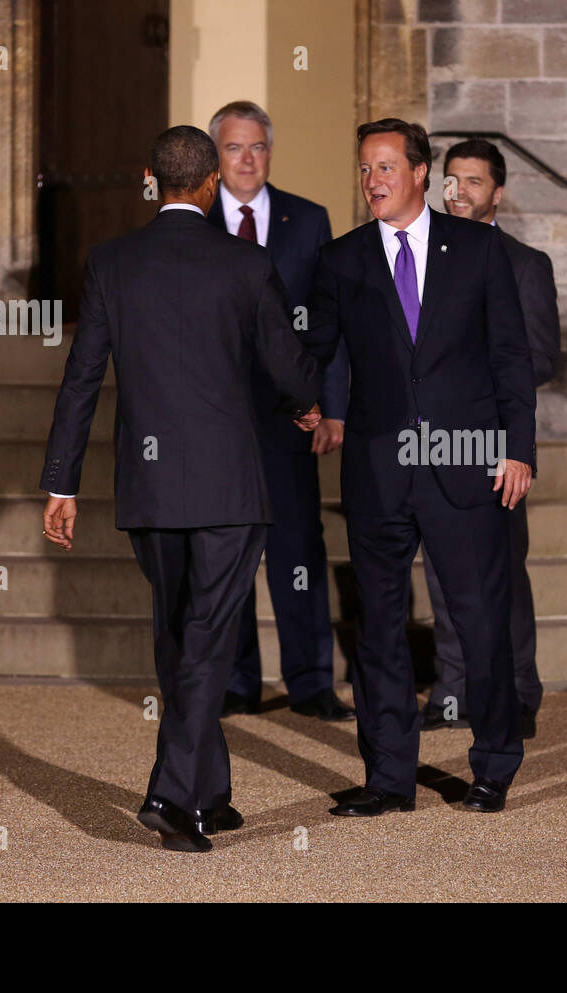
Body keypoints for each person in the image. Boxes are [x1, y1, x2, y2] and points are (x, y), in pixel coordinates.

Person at [39, 125, 321, 852]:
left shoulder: (112, 261)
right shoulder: (246, 262)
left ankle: (209, 791)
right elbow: (287, 366)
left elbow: (80, 381)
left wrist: (61, 484)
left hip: (150, 486)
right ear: (208, 185)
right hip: (228, 485)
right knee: (204, 640)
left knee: (180, 634)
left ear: (150, 180)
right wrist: (306, 401)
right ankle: (170, 793)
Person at [304, 119, 537, 816]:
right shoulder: (340, 259)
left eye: (385, 167)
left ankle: (493, 764)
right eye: (365, 169)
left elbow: (510, 357)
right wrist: (303, 398)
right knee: (377, 626)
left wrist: (518, 447)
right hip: (377, 470)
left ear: (418, 173)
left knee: (479, 621)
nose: (373, 180)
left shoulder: (476, 249)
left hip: (466, 464)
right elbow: (318, 349)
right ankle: (388, 777)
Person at [206, 100, 355, 723]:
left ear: (271, 151)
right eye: (234, 148)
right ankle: (239, 681)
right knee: (228, 552)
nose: (247, 159)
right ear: (216, 157)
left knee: (298, 550)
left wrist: (333, 407)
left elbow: (330, 322)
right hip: (213, 422)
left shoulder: (308, 219)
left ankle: (312, 681)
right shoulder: (191, 220)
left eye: (258, 146)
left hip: (292, 417)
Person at [420, 138, 560, 739]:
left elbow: (543, 357)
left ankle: (518, 689)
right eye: (451, 180)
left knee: (503, 569)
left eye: (473, 181)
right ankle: (452, 691)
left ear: (497, 193)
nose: (459, 191)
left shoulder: (524, 264)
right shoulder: (419, 257)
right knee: (441, 573)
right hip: (430, 442)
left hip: (496, 441)